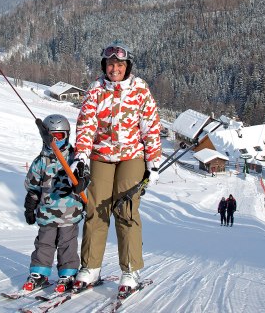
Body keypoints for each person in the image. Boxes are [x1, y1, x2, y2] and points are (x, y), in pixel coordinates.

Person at [72, 42, 162, 295]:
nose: (114, 69)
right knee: (95, 209)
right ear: (104, 66)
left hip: (131, 155)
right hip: (101, 155)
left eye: (119, 65)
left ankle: (130, 269)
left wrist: (153, 163)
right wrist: (81, 155)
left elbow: (150, 127)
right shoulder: (96, 90)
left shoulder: (140, 89)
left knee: (126, 210)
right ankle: (90, 267)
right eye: (110, 64)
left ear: (127, 67)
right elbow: (86, 124)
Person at [23, 114, 90, 293]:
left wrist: (83, 181)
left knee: (67, 245)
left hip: (70, 213)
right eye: (52, 136)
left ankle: (68, 273)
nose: (55, 140)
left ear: (67, 135)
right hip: (46, 213)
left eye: (59, 136)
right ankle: (39, 272)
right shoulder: (41, 161)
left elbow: (86, 178)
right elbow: (33, 186)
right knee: (44, 244)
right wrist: (30, 206)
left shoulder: (76, 159)